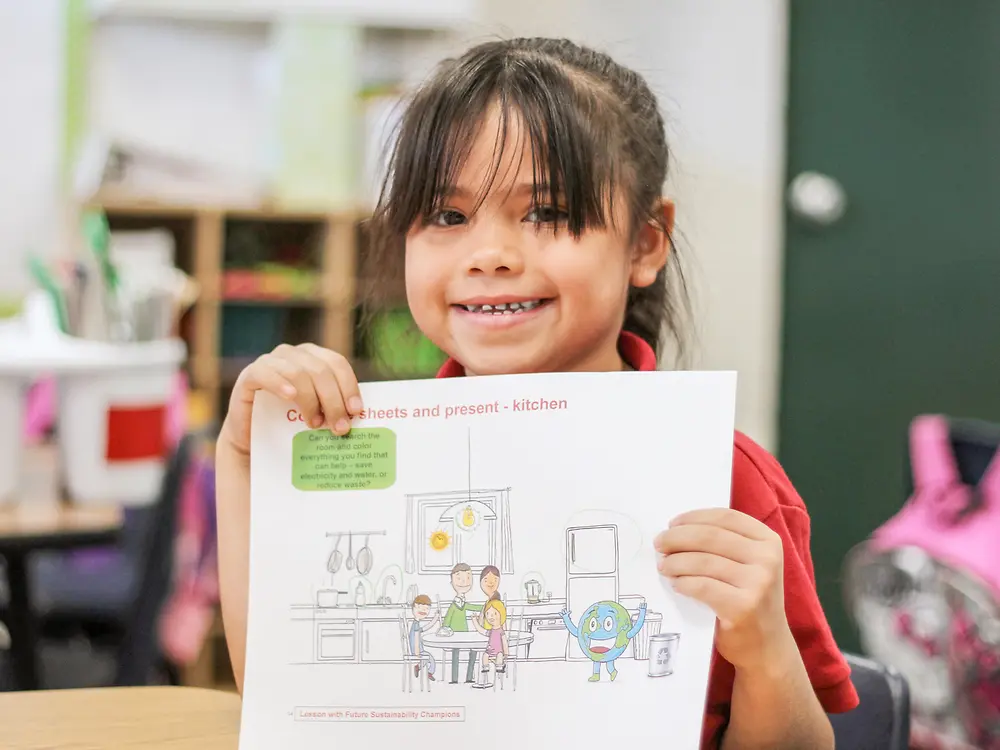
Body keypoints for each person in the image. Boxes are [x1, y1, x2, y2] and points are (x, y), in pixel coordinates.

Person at [216, 37, 858, 749]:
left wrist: (764, 648)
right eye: (448, 217)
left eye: (547, 213)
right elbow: (283, 701)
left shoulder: (727, 481)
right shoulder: (363, 448)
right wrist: (249, 458)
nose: (489, 255)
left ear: (645, 243)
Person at [440, 562, 482, 683]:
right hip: (454, 635)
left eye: (468, 578)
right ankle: (454, 679)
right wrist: (444, 627)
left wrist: (486, 607)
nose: (464, 582)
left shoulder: (463, 603)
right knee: (455, 654)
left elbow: (473, 607)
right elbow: (448, 618)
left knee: (474, 650)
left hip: (465, 633)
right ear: (452, 581)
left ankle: (469, 677)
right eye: (459, 578)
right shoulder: (454, 605)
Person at [471, 598, 509, 688]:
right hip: (489, 651)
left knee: (500, 656)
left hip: (499, 651)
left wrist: (506, 653)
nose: (491, 617)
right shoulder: (491, 631)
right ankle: (485, 668)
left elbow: (504, 642)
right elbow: (481, 630)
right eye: (488, 614)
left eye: (494, 614)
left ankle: (500, 667)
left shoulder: (500, 631)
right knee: (484, 656)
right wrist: (474, 622)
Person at [408, 594, 440, 682]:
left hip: (419, 651)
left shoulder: (416, 624)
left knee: (426, 659)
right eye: (420, 607)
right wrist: (417, 655)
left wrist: (435, 618)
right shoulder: (415, 626)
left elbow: (425, 628)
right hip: (418, 651)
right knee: (431, 659)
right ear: (414, 607)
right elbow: (416, 640)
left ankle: (418, 667)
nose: (423, 611)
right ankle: (429, 672)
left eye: (426, 609)